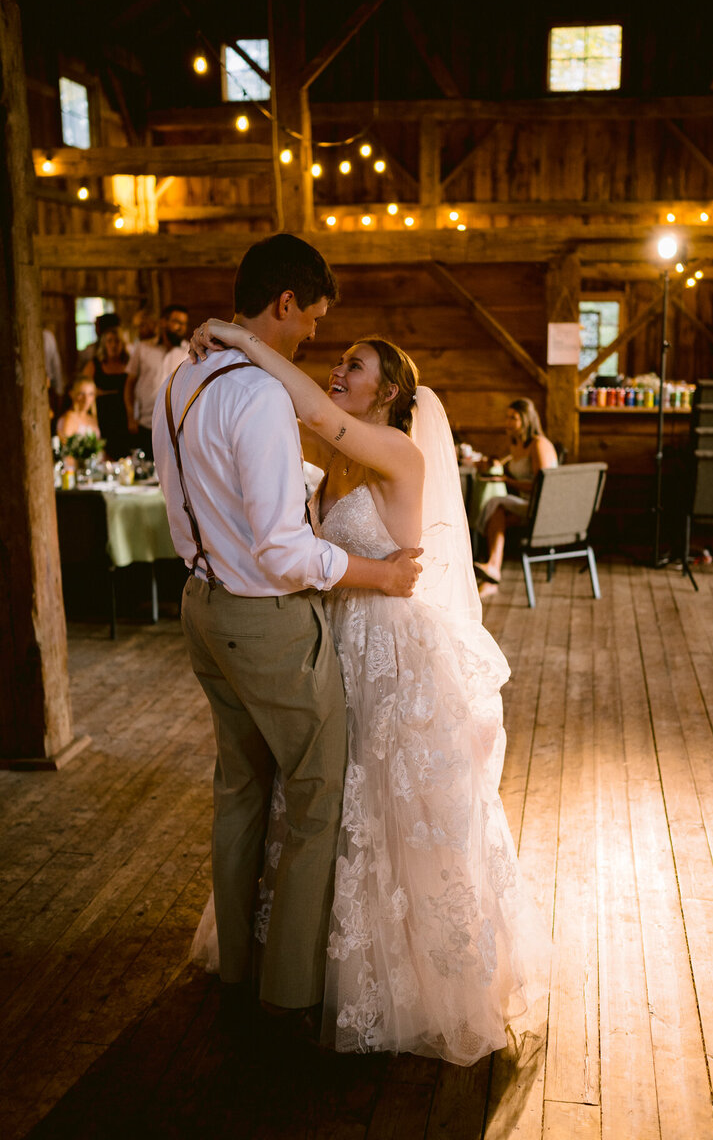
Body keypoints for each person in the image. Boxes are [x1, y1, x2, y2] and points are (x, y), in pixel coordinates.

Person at [188, 320, 549, 1065]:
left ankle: (403, 976)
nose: (336, 368)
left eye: (354, 364)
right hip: (332, 632)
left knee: (389, 800)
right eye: (338, 358)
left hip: (388, 643)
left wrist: (240, 338)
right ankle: (308, 961)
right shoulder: (336, 451)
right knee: (327, 797)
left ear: (386, 391)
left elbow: (314, 415)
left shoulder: (396, 449)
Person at [151, 235, 422, 1027]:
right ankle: (291, 991)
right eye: (313, 321)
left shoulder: (182, 372)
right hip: (262, 619)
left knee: (239, 789)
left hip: (200, 605)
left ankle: (239, 966)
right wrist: (377, 574)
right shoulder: (261, 397)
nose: (314, 342)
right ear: (286, 304)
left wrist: (226, 335)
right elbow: (282, 548)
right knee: (314, 796)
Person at [473, 398, 558, 597]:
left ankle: (490, 568)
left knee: (495, 505)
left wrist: (505, 480)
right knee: (497, 514)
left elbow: (543, 487)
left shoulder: (539, 445)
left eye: (514, 418)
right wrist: (491, 464)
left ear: (526, 420)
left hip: (542, 507)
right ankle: (492, 574)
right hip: (525, 505)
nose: (508, 422)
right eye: (507, 417)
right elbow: (504, 463)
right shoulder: (516, 444)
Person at [125, 303, 190, 459]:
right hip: (145, 423)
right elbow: (129, 384)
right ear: (163, 322)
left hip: (176, 425)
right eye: (177, 322)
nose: (181, 327)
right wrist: (130, 416)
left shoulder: (189, 352)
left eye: (184, 324)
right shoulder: (143, 348)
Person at [80, 315, 130, 458]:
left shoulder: (128, 363)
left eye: (117, 341)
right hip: (103, 414)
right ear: (104, 344)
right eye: (109, 341)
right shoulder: (95, 365)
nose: (113, 345)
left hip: (123, 414)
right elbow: (83, 387)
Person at [56, 377, 101, 443]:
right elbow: (66, 448)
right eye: (81, 394)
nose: (86, 399)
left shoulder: (92, 418)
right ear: (71, 394)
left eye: (90, 394)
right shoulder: (70, 417)